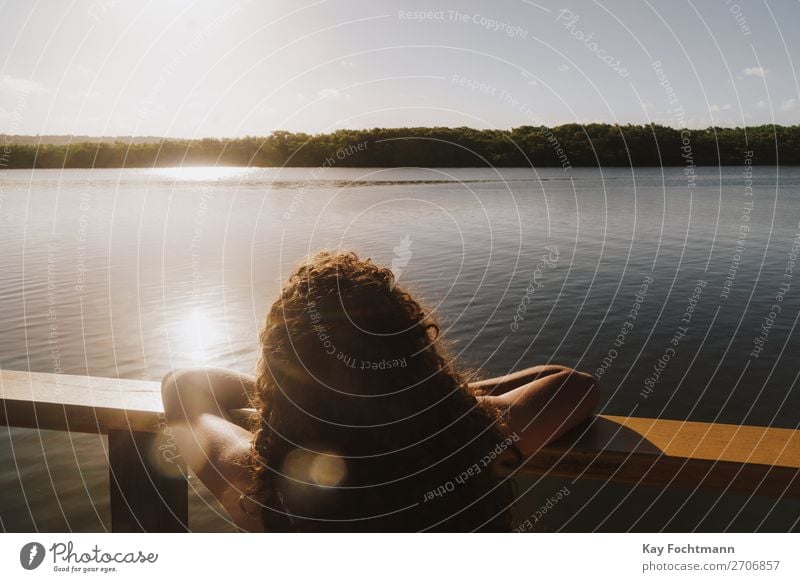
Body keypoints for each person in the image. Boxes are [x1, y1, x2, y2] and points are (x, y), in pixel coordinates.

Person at [161, 250, 598, 532]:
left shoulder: (259, 485)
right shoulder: (472, 443)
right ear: (413, 347)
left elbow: (183, 386)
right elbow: (572, 384)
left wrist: (292, 397)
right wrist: (440, 394)